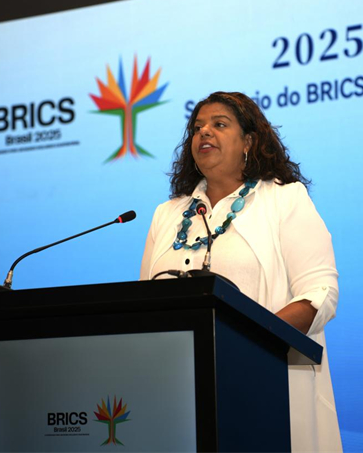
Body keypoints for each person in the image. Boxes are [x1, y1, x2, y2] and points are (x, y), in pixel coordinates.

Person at [140, 91, 342, 452]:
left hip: (264, 388)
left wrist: (249, 345)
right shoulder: (166, 214)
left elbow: (319, 294)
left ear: (248, 142)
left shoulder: (283, 199)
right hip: (178, 395)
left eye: (219, 124)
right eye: (197, 128)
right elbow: (144, 305)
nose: (204, 132)